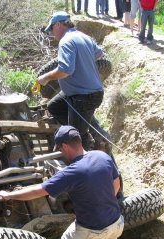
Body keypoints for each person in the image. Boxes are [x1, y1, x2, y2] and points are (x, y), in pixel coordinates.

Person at [0, 125, 124, 239]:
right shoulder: (102, 156)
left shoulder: (71, 172)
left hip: (93, 228)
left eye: (60, 150)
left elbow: (37, 191)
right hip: (115, 222)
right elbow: (116, 184)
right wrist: (102, 202)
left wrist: (8, 195)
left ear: (64, 146)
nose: (62, 154)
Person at [38, 11, 104, 150]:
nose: (51, 33)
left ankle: (85, 146)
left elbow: (65, 71)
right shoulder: (83, 36)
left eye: (51, 29)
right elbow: (99, 54)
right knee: (54, 107)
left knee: (76, 137)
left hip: (84, 96)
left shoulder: (65, 41)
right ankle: (77, 127)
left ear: (58, 25)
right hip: (84, 92)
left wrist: (45, 78)